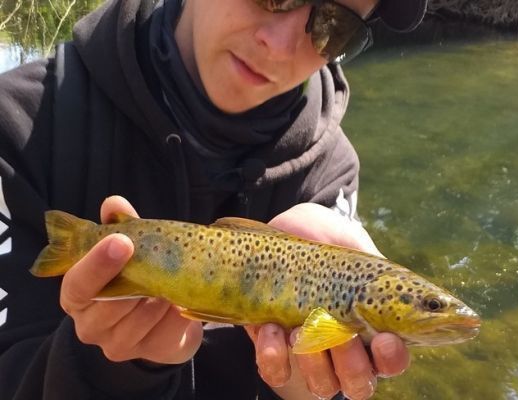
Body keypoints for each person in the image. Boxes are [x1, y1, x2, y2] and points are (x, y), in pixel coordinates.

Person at [0, 0, 427, 398]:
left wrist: (310, 390)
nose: (278, 46)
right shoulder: (17, 125)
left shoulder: (333, 174)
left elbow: (321, 373)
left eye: (334, 27)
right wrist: (103, 368)